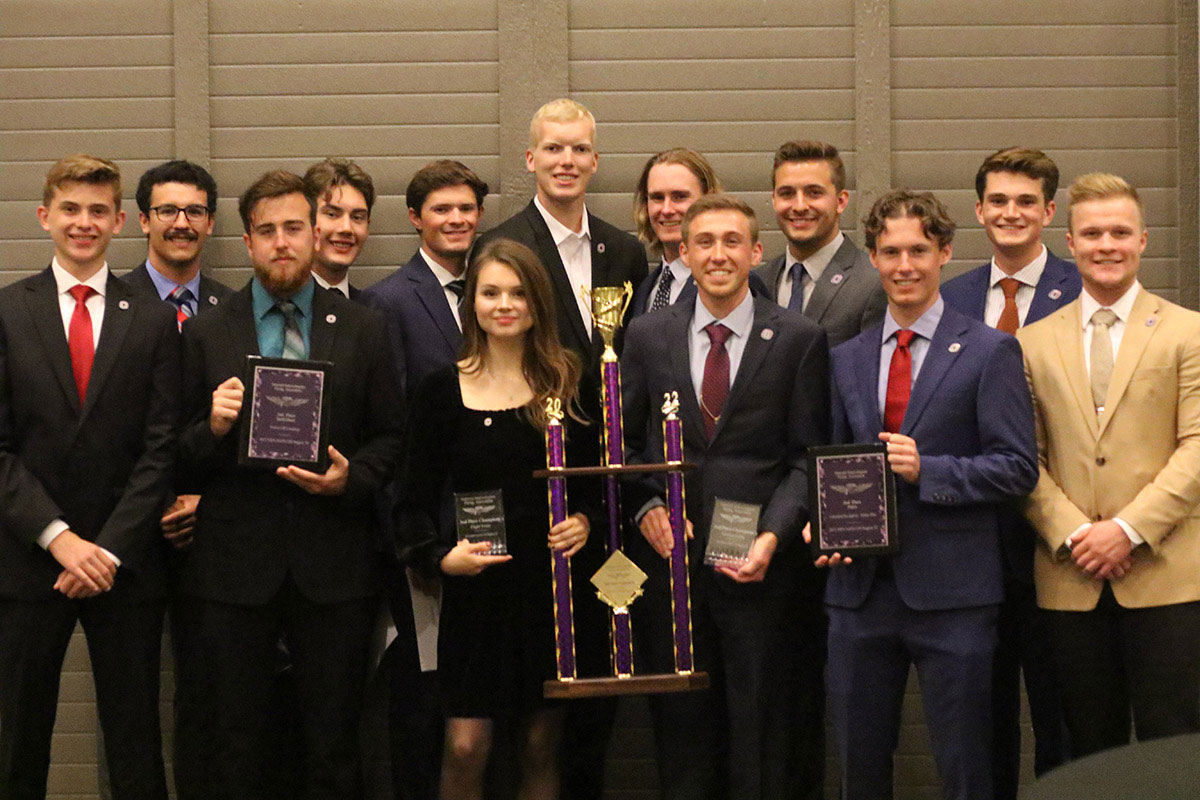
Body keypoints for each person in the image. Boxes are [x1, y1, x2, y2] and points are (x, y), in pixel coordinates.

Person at [175, 170, 403, 799]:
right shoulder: (206, 331)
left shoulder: (364, 327)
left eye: (294, 228)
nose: (282, 242)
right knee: (236, 741)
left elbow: (391, 438)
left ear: (315, 234)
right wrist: (213, 428)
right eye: (267, 230)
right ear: (246, 242)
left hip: (334, 564)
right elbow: (172, 454)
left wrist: (350, 479)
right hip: (232, 567)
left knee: (333, 741)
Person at [812, 189, 1037, 800]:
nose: (904, 265)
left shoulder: (991, 351)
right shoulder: (845, 358)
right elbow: (829, 463)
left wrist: (928, 470)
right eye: (889, 252)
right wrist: (821, 525)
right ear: (873, 258)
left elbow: (1018, 469)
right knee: (859, 772)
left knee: (967, 768)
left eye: (917, 250)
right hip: (858, 595)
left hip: (955, 597)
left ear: (944, 252)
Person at [621, 193, 830, 799]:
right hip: (673, 572)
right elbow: (627, 446)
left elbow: (805, 459)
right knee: (683, 736)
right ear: (682, 252)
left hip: (762, 575)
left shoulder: (797, 338)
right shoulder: (647, 335)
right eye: (704, 242)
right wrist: (645, 505)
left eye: (732, 241)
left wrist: (772, 536)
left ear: (756, 252)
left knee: (764, 736)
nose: (718, 254)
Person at [472, 97, 646, 798]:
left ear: (595, 162)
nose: (567, 161)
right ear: (530, 160)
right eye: (554, 149)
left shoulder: (624, 250)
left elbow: (627, 369)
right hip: (535, 488)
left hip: (605, 495)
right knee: (528, 704)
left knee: (599, 671)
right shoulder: (503, 244)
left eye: (579, 150)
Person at [0, 154, 179, 799]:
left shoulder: (155, 318)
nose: (84, 222)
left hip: (122, 562)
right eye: (70, 209)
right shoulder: (6, 312)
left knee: (135, 744)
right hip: (27, 561)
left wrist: (103, 548)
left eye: (98, 210)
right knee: (17, 742)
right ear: (45, 217)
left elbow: (160, 449)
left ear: (121, 221)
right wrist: (58, 538)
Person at [398, 238, 595, 800]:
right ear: (472, 303)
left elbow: (598, 488)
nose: (504, 304)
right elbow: (410, 503)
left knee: (539, 745)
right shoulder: (440, 391)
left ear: (538, 303)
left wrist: (583, 521)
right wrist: (440, 558)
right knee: (465, 747)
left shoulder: (567, 384)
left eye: (517, 293)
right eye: (490, 292)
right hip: (474, 595)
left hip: (551, 592)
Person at [1018, 172, 1200, 760]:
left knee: (1171, 751)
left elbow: (1197, 448)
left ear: (1144, 239)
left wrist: (1124, 531)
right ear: (1069, 242)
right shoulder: (1031, 342)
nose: (1106, 246)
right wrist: (1076, 534)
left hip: (1168, 579)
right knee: (1088, 753)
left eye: (1120, 232)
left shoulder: (1188, 333)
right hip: (1071, 579)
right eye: (1092, 233)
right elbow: (1024, 458)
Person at [940, 146, 1076, 796]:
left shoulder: (1081, 290)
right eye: (998, 201)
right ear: (979, 211)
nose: (1011, 213)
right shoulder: (950, 298)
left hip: (1062, 543)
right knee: (981, 722)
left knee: (1063, 721)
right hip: (973, 544)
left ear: (1049, 210)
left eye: (1026, 201)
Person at [363, 158, 490, 800]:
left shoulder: (501, 293)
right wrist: (415, 542)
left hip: (499, 534)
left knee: (489, 696)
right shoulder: (386, 302)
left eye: (467, 208)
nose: (457, 219)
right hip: (427, 541)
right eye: (442, 209)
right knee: (425, 691)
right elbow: (389, 429)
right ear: (415, 218)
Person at [125, 157, 233, 800]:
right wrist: (158, 501)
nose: (181, 223)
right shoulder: (112, 304)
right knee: (131, 704)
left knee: (208, 699)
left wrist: (199, 497)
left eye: (194, 211)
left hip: (208, 536)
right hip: (133, 537)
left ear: (212, 223)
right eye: (167, 210)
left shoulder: (230, 307)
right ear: (142, 221)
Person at [754, 140, 886, 346]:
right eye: (787, 193)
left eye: (814, 193)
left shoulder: (873, 283)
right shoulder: (756, 284)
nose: (799, 206)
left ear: (840, 201)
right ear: (773, 200)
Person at [630, 148, 722, 315]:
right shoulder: (644, 289)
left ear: (709, 200)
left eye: (679, 196)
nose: (666, 210)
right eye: (657, 198)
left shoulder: (734, 283)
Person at [302, 157, 375, 299]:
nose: (346, 228)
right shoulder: (283, 309)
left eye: (357, 217)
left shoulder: (372, 312)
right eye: (332, 214)